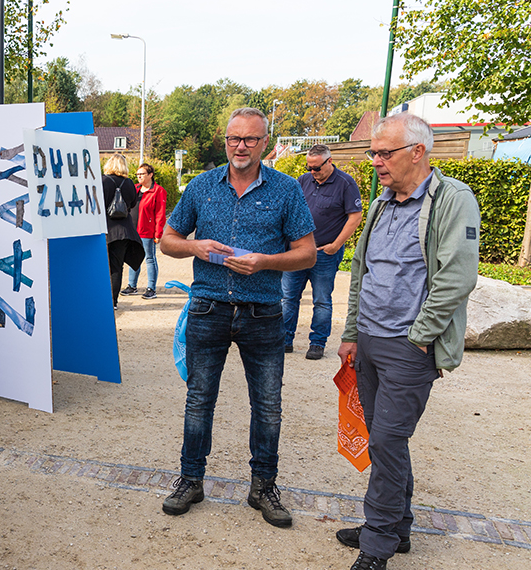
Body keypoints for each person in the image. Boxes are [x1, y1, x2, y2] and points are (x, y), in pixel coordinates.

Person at [337, 112, 479, 570]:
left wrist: (420, 337)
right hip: (372, 341)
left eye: (384, 153)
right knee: (384, 438)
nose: (375, 161)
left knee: (387, 442)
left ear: (417, 152)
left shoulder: (452, 200)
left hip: (409, 348)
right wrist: (353, 331)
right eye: (372, 153)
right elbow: (362, 271)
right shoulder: (381, 201)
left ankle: (376, 546)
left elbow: (456, 278)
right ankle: (396, 527)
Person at [159, 108, 316, 528]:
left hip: (262, 312)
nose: (240, 147)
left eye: (249, 139)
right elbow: (167, 241)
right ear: (224, 140)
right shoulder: (202, 186)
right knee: (198, 401)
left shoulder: (285, 190)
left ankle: (263, 486)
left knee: (268, 406)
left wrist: (265, 262)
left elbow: (308, 252)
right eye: (233, 139)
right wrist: (193, 247)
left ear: (265, 142)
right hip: (208, 308)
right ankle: (191, 479)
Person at [281, 145, 362, 359]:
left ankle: (317, 343)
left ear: (329, 161)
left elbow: (355, 217)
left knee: (322, 300)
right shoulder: (302, 181)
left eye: (316, 168)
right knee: (288, 297)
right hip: (297, 251)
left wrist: (335, 245)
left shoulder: (345, 183)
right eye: (309, 167)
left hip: (325, 253)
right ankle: (284, 340)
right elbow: (290, 211)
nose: (312, 171)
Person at [101, 153, 144, 308]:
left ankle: (101, 299)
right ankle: (113, 302)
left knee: (101, 266)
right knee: (117, 267)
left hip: (105, 229)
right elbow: (132, 204)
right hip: (124, 231)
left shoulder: (103, 181)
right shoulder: (129, 183)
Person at [120, 163, 167, 300]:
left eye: (142, 174)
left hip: (147, 231)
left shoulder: (158, 191)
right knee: (133, 257)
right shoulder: (134, 189)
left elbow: (160, 214)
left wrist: (158, 234)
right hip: (132, 230)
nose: (139, 176)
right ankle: (132, 286)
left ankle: (151, 288)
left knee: (149, 258)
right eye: (137, 174)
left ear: (150, 175)